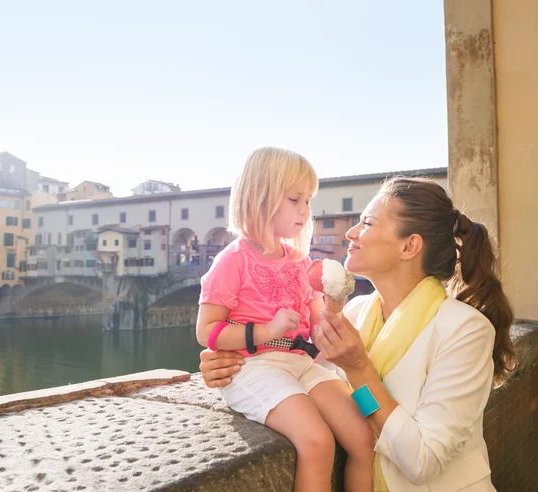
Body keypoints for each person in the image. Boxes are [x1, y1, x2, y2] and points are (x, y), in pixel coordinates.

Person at [199, 177, 517, 492]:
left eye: (367, 222)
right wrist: (229, 364)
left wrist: (358, 369)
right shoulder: (354, 314)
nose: (351, 232)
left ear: (409, 246)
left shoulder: (467, 330)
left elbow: (423, 461)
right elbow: (319, 385)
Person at [196, 147, 375, 492]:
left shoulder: (299, 261)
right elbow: (207, 331)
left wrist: (334, 308)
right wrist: (268, 329)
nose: (306, 211)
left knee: (364, 436)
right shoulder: (232, 260)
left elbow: (318, 326)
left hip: (303, 365)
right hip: (253, 367)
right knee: (318, 441)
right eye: (295, 199)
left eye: (308, 201)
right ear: (260, 198)